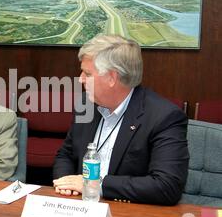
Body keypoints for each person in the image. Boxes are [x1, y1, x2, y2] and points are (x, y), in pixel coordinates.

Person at [53, 34, 189, 205]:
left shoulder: (164, 117)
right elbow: (65, 154)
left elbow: (167, 186)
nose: (80, 79)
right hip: (79, 207)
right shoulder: (85, 104)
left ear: (112, 78)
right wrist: (67, 183)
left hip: (130, 216)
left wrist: (96, 185)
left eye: (87, 73)